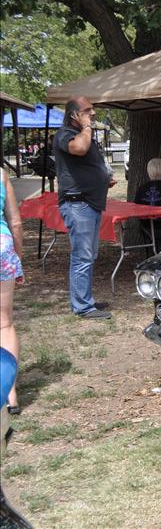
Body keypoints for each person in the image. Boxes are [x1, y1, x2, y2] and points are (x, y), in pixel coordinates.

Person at [53, 96, 115, 320]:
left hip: (88, 203)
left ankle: (85, 299)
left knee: (88, 255)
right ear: (74, 115)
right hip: (78, 204)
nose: (93, 113)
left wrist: (102, 179)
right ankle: (83, 306)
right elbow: (79, 148)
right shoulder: (65, 134)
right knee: (82, 256)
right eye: (88, 110)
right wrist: (87, 127)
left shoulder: (81, 134)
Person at [0, 168, 24, 413]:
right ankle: (10, 393)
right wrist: (18, 258)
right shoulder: (1, 174)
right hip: (2, 246)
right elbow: (15, 222)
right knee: (4, 324)